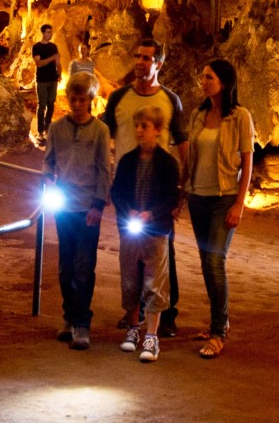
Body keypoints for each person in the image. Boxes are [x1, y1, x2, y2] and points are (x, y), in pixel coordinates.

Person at [102, 38, 188, 338]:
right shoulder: (119, 99)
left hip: (158, 189)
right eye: (137, 57)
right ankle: (134, 315)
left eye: (147, 58)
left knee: (164, 256)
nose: (139, 62)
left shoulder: (170, 100)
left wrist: (182, 191)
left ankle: (166, 314)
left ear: (159, 64)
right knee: (130, 255)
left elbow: (183, 141)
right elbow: (105, 136)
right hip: (128, 187)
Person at [182, 59, 256, 358]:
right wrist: (180, 190)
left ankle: (217, 332)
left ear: (224, 83)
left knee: (215, 262)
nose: (203, 81)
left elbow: (248, 162)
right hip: (197, 196)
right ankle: (218, 321)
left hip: (224, 197)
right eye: (202, 76)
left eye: (209, 77)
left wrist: (240, 202)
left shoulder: (240, 116)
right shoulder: (199, 115)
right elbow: (190, 158)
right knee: (205, 262)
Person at [43, 72, 110, 350]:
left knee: (84, 266)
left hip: (87, 208)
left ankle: (82, 322)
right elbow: (49, 161)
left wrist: (98, 205)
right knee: (65, 266)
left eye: (83, 100)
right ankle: (69, 317)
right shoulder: (57, 129)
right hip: (65, 206)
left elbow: (105, 170)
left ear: (91, 101)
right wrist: (48, 178)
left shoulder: (100, 131)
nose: (78, 104)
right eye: (73, 99)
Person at [111, 105, 182, 363]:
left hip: (155, 231)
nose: (140, 131)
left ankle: (151, 335)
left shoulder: (167, 163)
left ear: (158, 129)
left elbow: (172, 197)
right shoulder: (128, 160)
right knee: (130, 280)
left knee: (155, 282)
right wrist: (128, 211)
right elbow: (117, 191)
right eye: (137, 126)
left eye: (145, 126)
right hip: (130, 230)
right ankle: (133, 326)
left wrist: (151, 214)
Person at [32, 24, 62, 136]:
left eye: (51, 32)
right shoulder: (36, 47)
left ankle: (47, 126)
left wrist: (59, 74)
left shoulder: (54, 47)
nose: (50, 34)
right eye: (48, 32)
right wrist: (52, 58)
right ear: (43, 33)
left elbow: (58, 63)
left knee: (51, 104)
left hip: (53, 79)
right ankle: (40, 130)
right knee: (42, 105)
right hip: (42, 80)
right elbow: (39, 63)